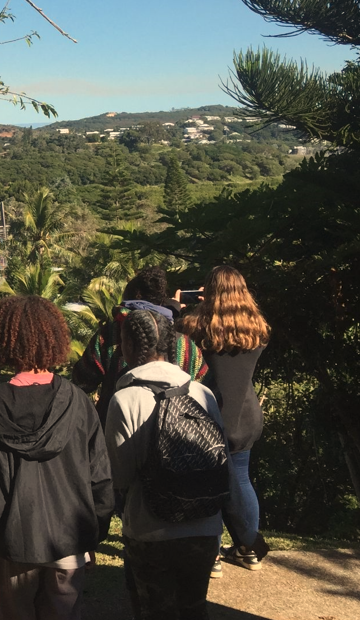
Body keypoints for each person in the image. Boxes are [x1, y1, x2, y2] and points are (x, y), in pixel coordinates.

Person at [0, 295, 113, 620]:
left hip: (12, 547)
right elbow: (100, 480)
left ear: (2, 340)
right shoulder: (79, 403)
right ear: (55, 337)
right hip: (69, 544)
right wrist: (92, 536)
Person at [106, 309, 224, 620]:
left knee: (155, 612)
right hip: (204, 526)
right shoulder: (203, 393)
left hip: (150, 529)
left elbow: (120, 476)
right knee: (194, 609)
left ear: (130, 345)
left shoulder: (125, 400)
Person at [177, 265, 271, 575]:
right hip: (245, 416)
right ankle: (248, 550)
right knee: (241, 480)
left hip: (208, 413)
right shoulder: (257, 329)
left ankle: (212, 556)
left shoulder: (193, 326)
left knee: (207, 484)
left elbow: (178, 343)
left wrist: (180, 306)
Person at [73, 265, 207, 422]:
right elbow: (202, 387)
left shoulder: (110, 335)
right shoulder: (185, 345)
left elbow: (81, 381)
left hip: (115, 424)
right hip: (174, 429)